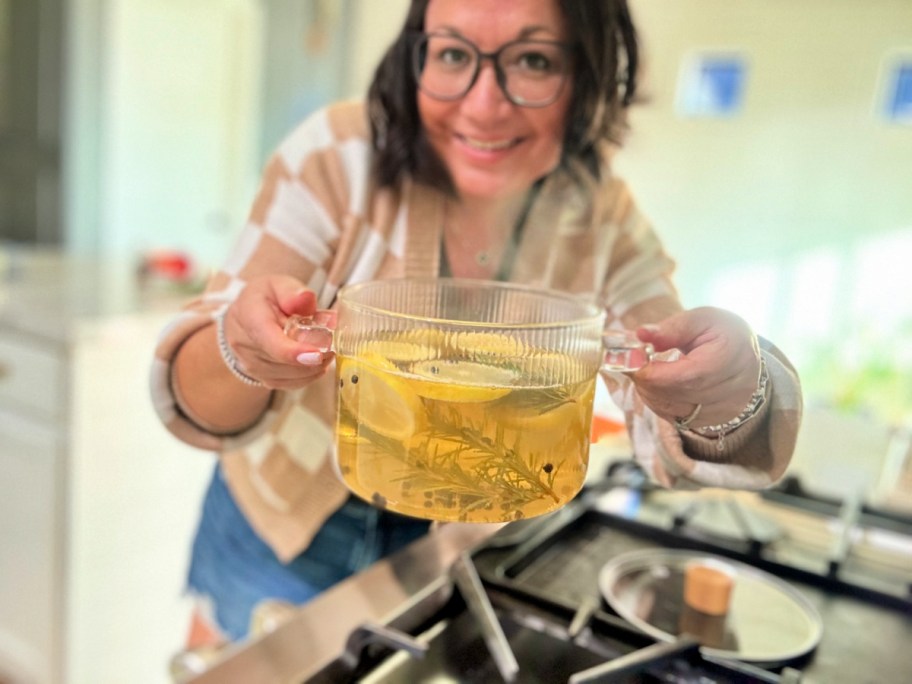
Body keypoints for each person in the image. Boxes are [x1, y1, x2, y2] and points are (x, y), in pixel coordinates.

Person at [151, 0, 802, 652]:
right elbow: (190, 390)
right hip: (280, 531)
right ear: (417, 57)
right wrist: (240, 347)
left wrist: (725, 393)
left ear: (589, 76)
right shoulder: (337, 156)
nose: (484, 104)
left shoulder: (603, 219)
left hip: (468, 543)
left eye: (533, 60)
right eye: (455, 55)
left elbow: (673, 429)